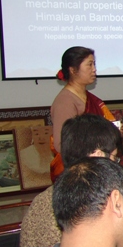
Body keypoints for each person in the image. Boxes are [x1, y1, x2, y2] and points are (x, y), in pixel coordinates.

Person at [20, 114, 123, 247]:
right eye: (114, 158)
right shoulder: (91, 202)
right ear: (98, 156)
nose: (115, 165)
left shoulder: (45, 196)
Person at [49, 46, 117, 181]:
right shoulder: (65, 102)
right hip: (80, 175)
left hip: (97, 169)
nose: (94, 69)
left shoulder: (89, 98)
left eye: (94, 64)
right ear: (73, 70)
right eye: (89, 64)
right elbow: (62, 144)